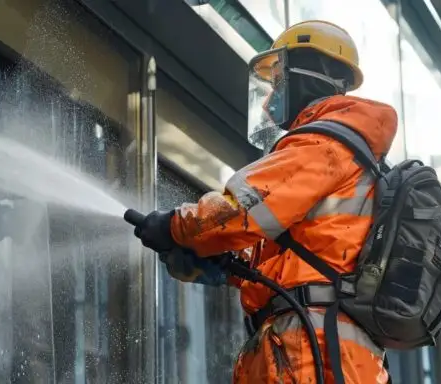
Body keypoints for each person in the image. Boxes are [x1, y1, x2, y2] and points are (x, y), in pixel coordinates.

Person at [133, 20, 395, 383]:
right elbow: (307, 262)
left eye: (279, 81)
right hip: (323, 349)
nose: (272, 98)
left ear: (309, 74)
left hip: (311, 351)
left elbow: (244, 208)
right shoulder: (345, 153)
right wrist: (228, 268)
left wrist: (175, 226)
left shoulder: (325, 147)